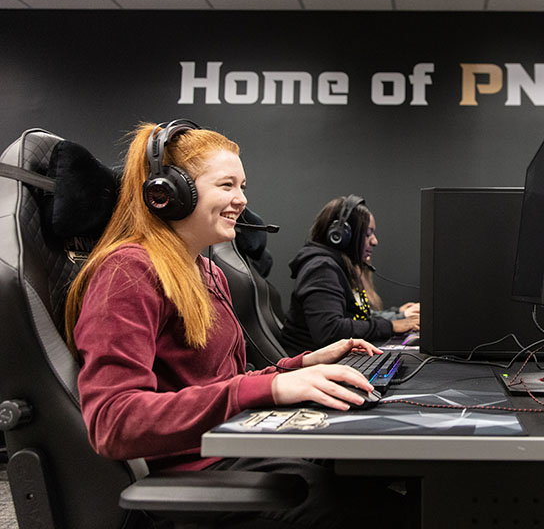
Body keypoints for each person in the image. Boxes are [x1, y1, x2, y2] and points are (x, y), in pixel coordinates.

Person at [64, 121, 390, 528]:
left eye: (243, 186)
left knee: (382, 477)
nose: (241, 200)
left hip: (232, 449)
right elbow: (114, 421)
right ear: (170, 193)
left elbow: (225, 382)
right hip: (198, 477)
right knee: (387, 509)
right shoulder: (128, 271)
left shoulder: (206, 271)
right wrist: (267, 388)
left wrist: (301, 365)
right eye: (226, 185)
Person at [280, 195, 419, 355]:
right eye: (368, 234)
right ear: (341, 236)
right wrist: (392, 326)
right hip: (307, 368)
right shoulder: (321, 268)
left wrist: (398, 315)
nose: (374, 241)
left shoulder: (337, 267)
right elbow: (330, 329)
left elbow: (356, 316)